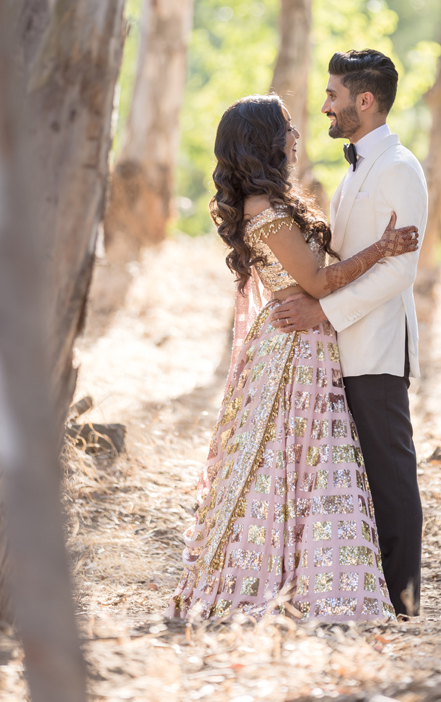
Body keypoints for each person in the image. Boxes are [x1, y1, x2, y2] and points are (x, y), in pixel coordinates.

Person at [166, 93, 420, 623]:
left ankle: (304, 578)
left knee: (302, 462)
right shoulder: (263, 210)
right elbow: (319, 280)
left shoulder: (272, 202)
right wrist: (384, 246)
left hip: (307, 344)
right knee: (287, 461)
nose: (295, 132)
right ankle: (278, 583)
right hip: (290, 351)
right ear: (264, 139)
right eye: (285, 126)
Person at [271, 49, 427, 617]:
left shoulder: (401, 169)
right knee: (361, 476)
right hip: (344, 346)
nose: (324, 105)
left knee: (389, 474)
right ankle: (371, 595)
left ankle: (404, 603)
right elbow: (345, 255)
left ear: (365, 100)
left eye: (333, 94)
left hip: (378, 345)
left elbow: (401, 269)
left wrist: (323, 314)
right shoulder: (357, 168)